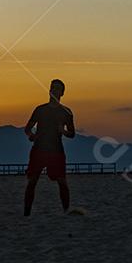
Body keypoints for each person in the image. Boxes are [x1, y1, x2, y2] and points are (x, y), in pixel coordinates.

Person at [23, 79, 75, 215]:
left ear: (62, 93)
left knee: (62, 183)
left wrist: (62, 131)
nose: (54, 91)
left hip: (56, 151)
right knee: (32, 182)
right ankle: (26, 214)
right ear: (49, 90)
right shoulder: (40, 110)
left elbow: (72, 134)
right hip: (39, 149)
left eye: (57, 89)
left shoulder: (66, 112)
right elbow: (27, 128)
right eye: (52, 88)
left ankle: (66, 212)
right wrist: (31, 135)